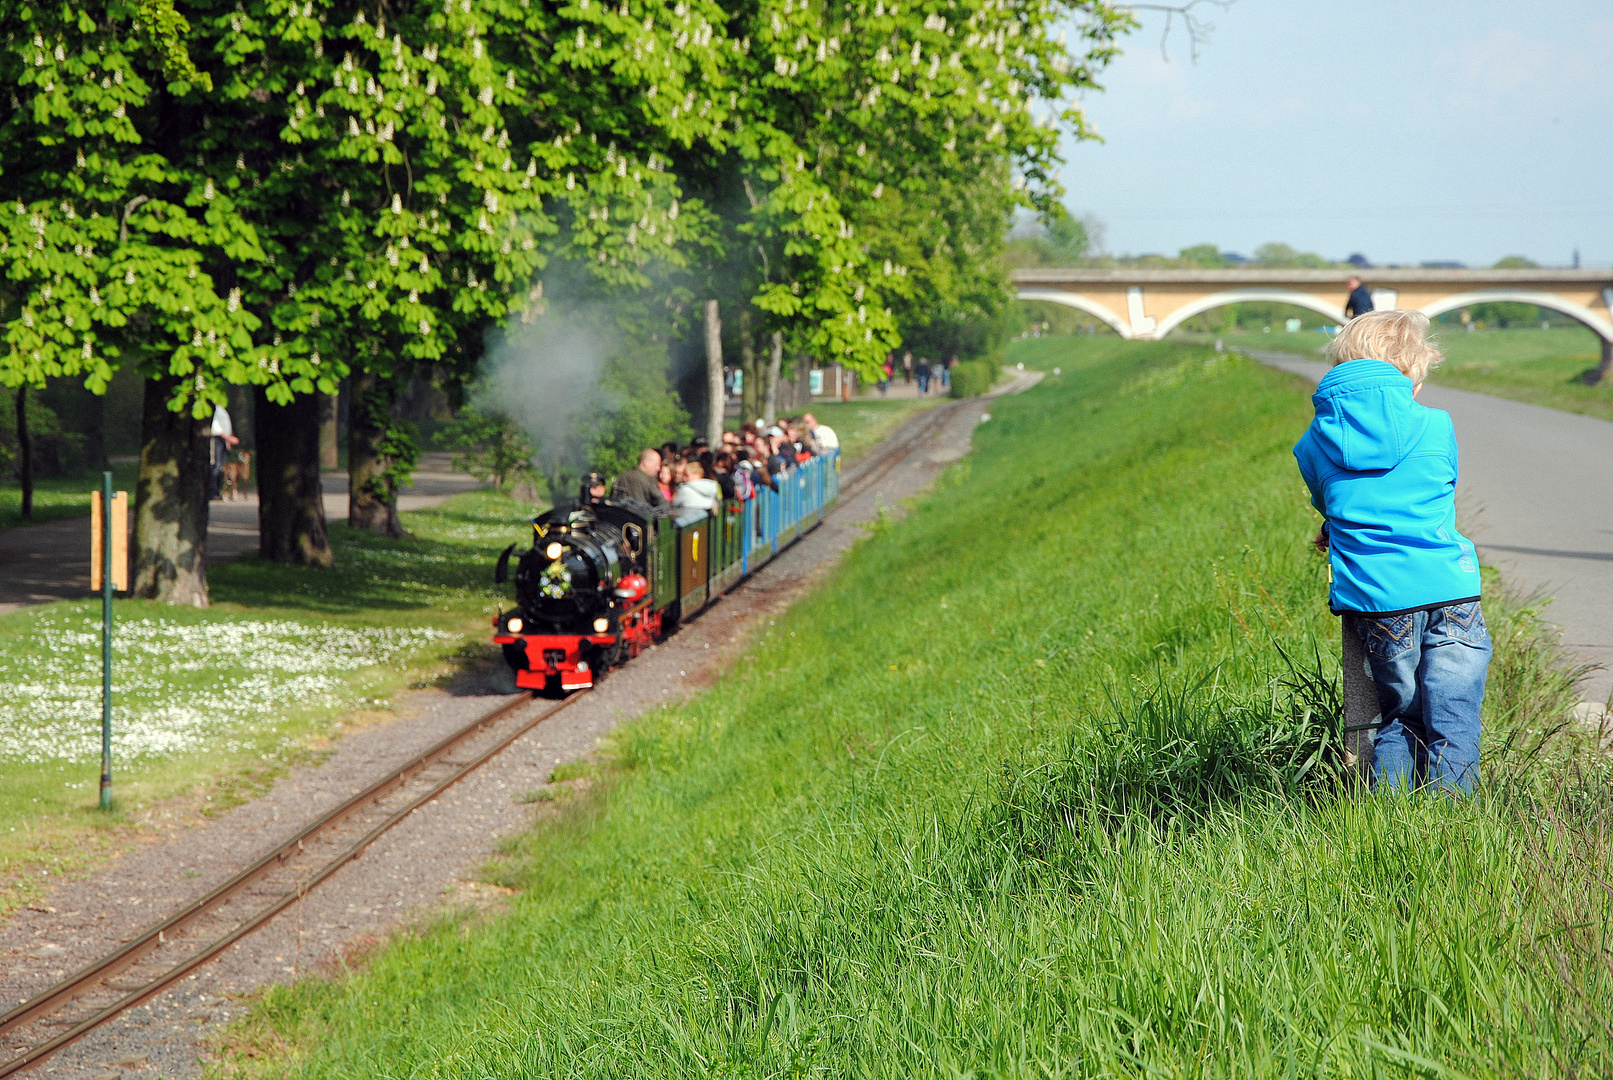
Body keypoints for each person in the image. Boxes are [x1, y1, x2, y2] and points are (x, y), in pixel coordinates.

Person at [1293, 310, 1489, 794]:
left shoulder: (1313, 443)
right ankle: (1454, 829)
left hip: (1382, 601)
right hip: (1451, 588)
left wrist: (1330, 527)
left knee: (1399, 716)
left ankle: (1393, 821)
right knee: (1454, 715)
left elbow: (1333, 504)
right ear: (1409, 375)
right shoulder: (1437, 426)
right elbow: (1437, 489)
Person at [209, 403, 239, 501]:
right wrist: (228, 438)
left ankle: (219, 490)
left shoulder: (221, 409)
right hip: (218, 440)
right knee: (216, 466)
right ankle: (213, 491)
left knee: (222, 467)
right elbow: (216, 428)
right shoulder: (216, 410)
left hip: (223, 440)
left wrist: (227, 442)